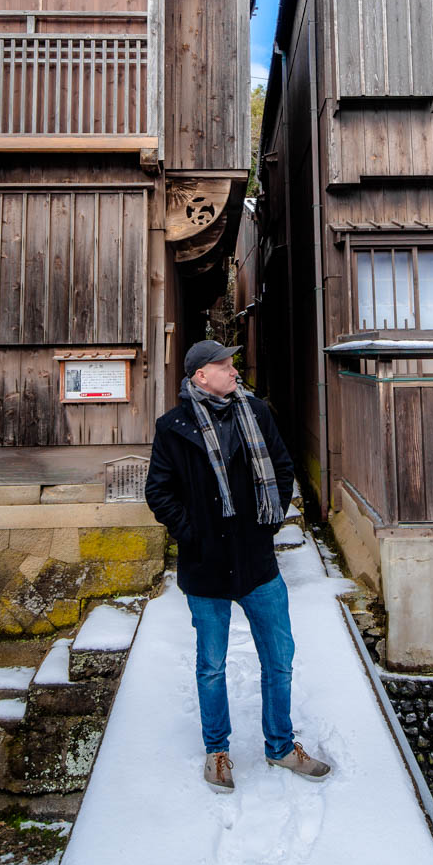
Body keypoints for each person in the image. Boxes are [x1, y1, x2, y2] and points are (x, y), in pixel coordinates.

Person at [145, 339, 331, 793]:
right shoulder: (173, 427)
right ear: (199, 376)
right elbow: (159, 491)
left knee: (280, 658)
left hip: (256, 562)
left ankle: (281, 746)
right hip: (205, 565)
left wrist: (266, 526)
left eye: (232, 363)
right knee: (211, 664)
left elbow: (282, 468)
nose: (233, 370)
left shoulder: (257, 412)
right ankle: (218, 751)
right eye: (223, 365)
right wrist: (193, 533)